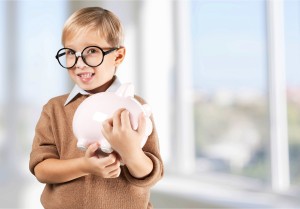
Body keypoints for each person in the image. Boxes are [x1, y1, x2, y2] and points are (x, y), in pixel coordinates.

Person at [29, 7, 163, 209]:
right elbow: (41, 169)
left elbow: (151, 174)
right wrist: (84, 166)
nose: (79, 63)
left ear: (117, 56)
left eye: (92, 51)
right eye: (70, 52)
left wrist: (131, 151)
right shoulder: (54, 109)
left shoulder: (136, 107)